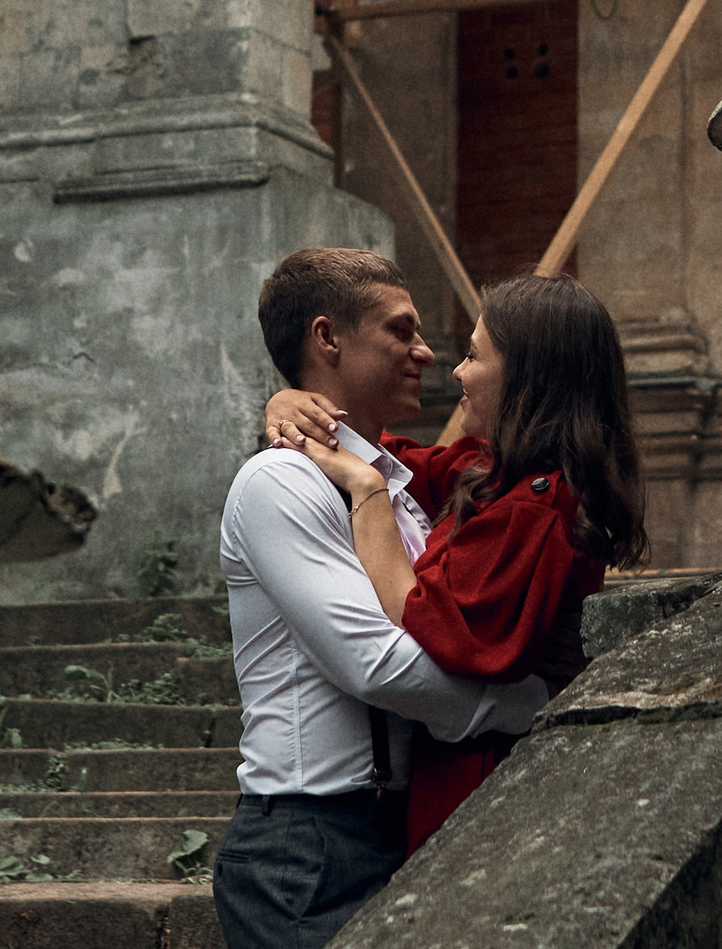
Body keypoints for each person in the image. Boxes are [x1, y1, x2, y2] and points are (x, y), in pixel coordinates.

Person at [214, 246, 552, 949]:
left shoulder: (394, 489)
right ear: (328, 339)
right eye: (402, 331)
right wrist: (532, 704)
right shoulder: (279, 482)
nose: (427, 352)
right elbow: (380, 666)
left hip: (394, 829)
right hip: (306, 847)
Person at [262, 271, 645, 851]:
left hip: (482, 792)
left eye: (474, 355)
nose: (456, 371)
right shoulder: (500, 476)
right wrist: (293, 402)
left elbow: (416, 615)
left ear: (528, 377)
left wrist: (366, 492)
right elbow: (396, 457)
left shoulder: (536, 507)